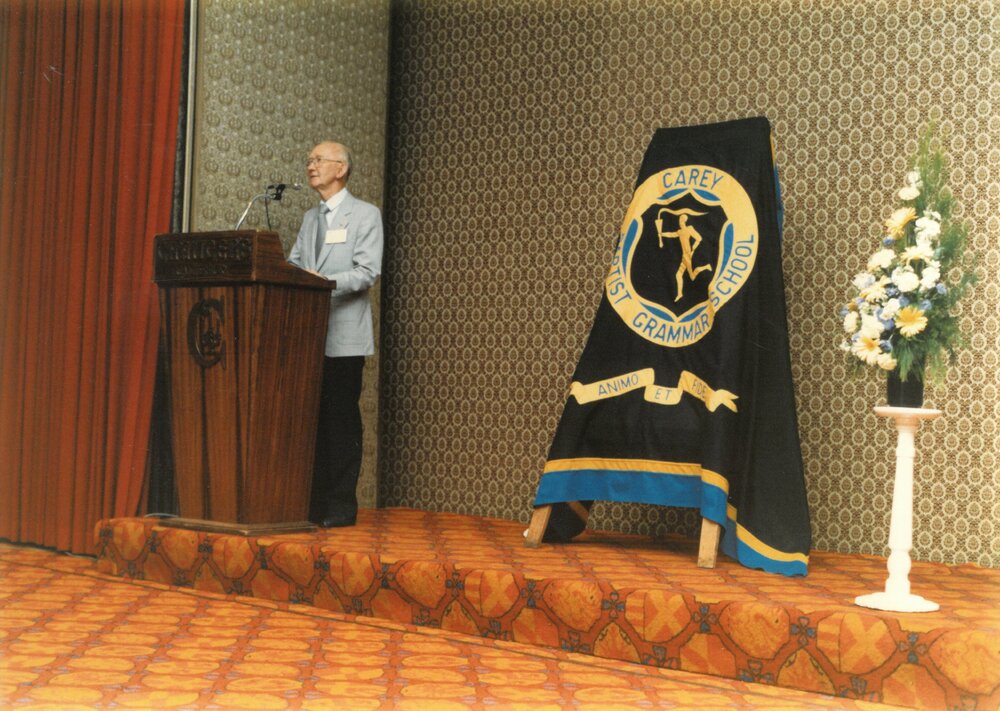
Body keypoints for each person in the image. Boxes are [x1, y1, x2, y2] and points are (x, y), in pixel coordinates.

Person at [288, 141, 383, 527]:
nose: (310, 166)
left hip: (343, 338)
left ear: (341, 169)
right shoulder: (311, 219)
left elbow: (366, 273)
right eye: (308, 159)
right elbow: (295, 264)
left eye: (318, 160)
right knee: (311, 420)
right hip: (307, 338)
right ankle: (311, 506)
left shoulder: (364, 215)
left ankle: (340, 506)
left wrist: (321, 281)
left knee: (340, 420)